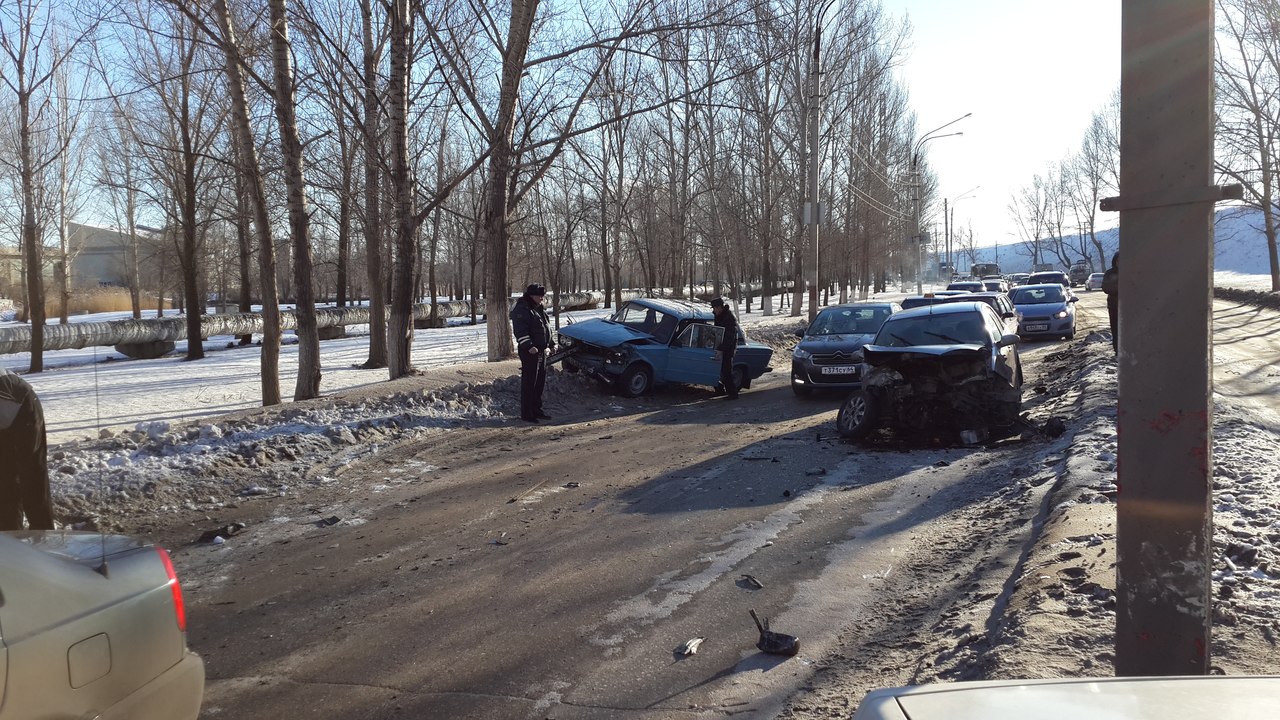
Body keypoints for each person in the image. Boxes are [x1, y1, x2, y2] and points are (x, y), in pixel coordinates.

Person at [0, 367, 53, 531]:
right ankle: (10, 541)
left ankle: (44, 536)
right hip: (5, 412)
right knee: (5, 479)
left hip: (24, 405)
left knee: (31, 475)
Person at [510, 283, 553, 422]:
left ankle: (536, 409)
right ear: (532, 296)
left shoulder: (538, 308)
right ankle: (527, 413)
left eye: (542, 296)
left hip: (541, 351)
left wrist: (551, 343)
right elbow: (520, 330)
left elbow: (545, 328)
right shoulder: (522, 309)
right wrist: (529, 345)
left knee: (539, 382)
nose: (542, 299)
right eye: (539, 296)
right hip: (530, 352)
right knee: (529, 383)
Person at [710, 297, 739, 399]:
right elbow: (718, 331)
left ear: (719, 308)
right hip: (720, 346)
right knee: (717, 370)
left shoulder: (729, 318)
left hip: (728, 348)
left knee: (726, 371)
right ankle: (720, 390)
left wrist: (721, 348)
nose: (714, 310)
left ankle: (733, 393)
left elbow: (729, 337)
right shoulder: (719, 316)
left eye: (714, 308)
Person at [1102, 252, 1119, 352]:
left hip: (1130, 306)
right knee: (1115, 328)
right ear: (1115, 261)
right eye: (1118, 261)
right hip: (1114, 305)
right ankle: (1117, 349)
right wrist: (1118, 290)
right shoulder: (1109, 273)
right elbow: (1105, 287)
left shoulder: (1129, 271)